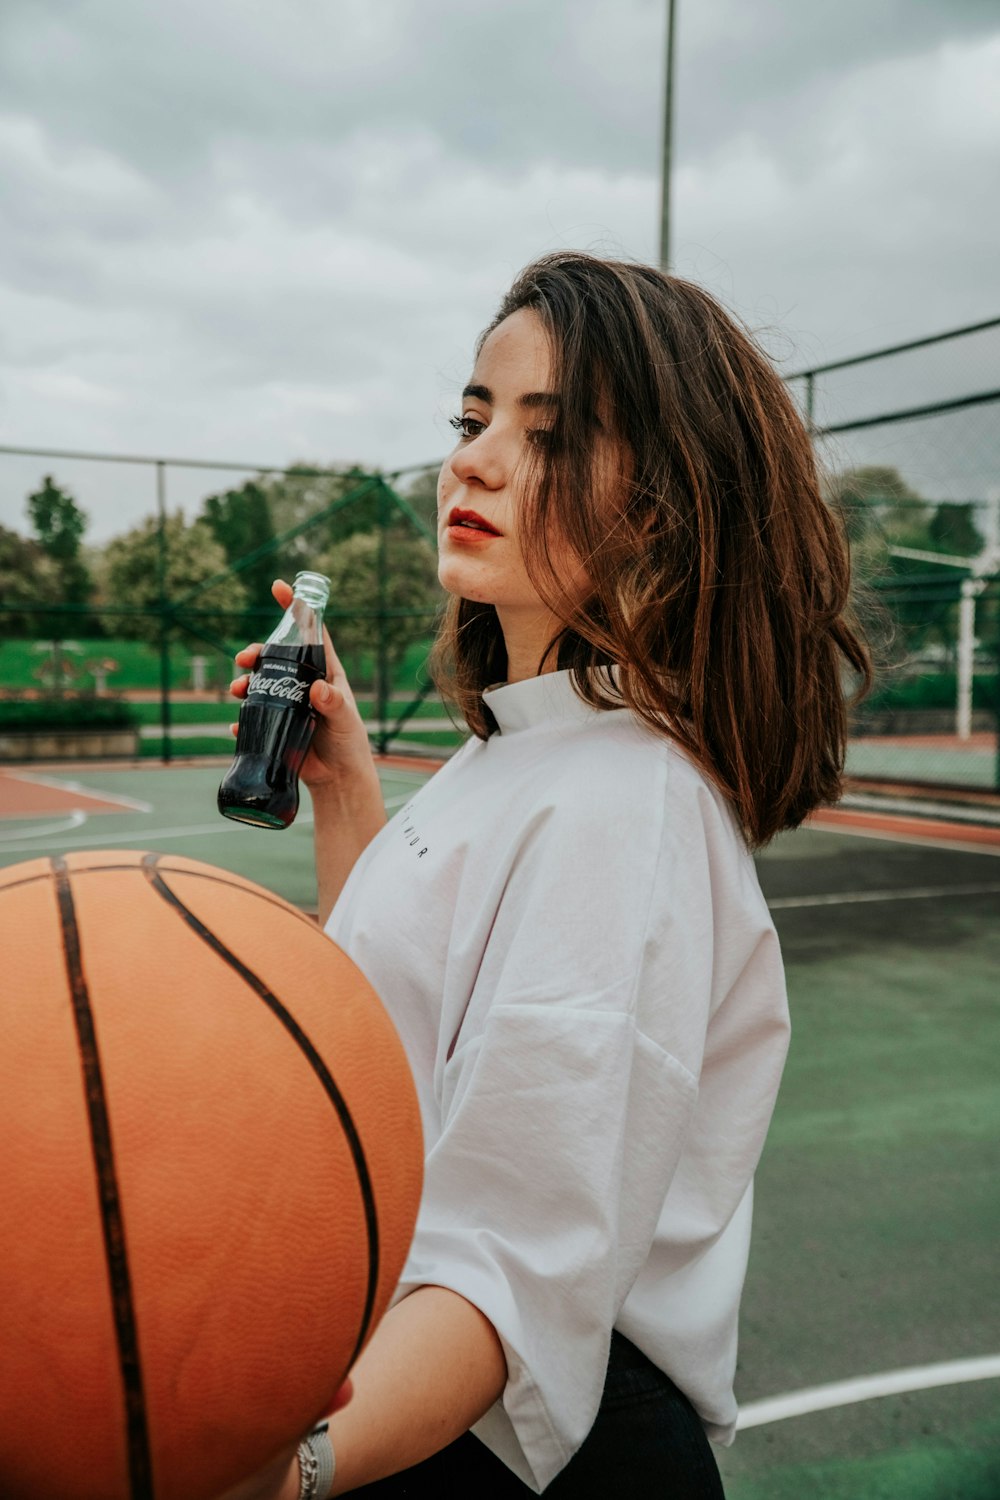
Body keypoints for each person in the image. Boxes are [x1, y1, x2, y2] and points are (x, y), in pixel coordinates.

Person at [224, 251, 870, 1499]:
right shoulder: (517, 750)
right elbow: (389, 1044)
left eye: (551, 433)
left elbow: (507, 1266)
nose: (472, 460)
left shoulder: (627, 801)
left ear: (666, 502)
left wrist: (280, 1471)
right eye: (472, 419)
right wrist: (349, 793)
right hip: (425, 1387)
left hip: (514, 1444)